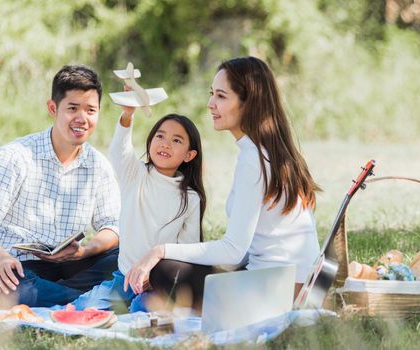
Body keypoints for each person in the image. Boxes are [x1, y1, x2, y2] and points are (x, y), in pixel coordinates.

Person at [125, 56, 322, 310]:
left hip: (277, 292)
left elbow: (233, 251)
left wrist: (160, 250)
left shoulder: (254, 160)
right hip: (294, 283)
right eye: (212, 94)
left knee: (163, 270)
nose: (210, 104)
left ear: (248, 102)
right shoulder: (269, 151)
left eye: (221, 96)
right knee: (184, 266)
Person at [0, 65, 121, 308]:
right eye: (72, 108)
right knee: (15, 290)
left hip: (71, 265)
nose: (82, 118)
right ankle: (94, 298)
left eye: (90, 110)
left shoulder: (99, 165)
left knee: (126, 257)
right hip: (18, 266)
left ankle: (71, 297)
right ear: (53, 108)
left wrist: (84, 252)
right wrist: (0, 257)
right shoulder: (14, 157)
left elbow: (112, 226)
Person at [69, 102, 207, 312]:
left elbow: (188, 249)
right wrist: (127, 114)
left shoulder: (190, 197)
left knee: (141, 310)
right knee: (83, 308)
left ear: (189, 155)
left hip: (157, 282)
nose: (165, 144)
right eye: (160, 136)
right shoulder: (136, 174)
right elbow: (119, 149)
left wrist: (157, 280)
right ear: (150, 141)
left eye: (176, 140)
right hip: (124, 276)